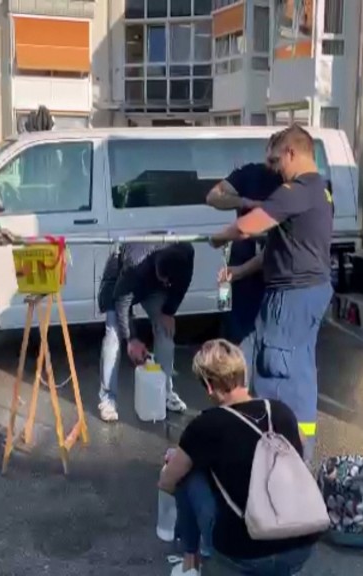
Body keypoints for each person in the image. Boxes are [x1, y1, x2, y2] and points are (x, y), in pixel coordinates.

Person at [209, 126, 335, 464]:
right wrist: (238, 272)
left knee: (275, 374)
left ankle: (279, 461)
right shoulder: (320, 191)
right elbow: (277, 252)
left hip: (291, 297)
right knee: (298, 373)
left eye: (277, 158)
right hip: (308, 291)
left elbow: (247, 226)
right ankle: (298, 458)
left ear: (293, 153)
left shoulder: (295, 190)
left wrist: (220, 238)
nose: (274, 167)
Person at [158, 340, 318, 576]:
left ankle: (190, 565)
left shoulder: (206, 425)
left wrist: (180, 460)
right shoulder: (281, 410)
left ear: (209, 387)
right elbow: (300, 447)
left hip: (247, 555)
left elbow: (166, 482)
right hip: (301, 548)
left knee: (186, 473)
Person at [205, 136, 285, 364]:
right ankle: (239, 379)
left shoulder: (291, 184)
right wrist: (246, 203)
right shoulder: (250, 173)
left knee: (270, 332)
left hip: (275, 265)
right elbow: (213, 196)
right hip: (243, 260)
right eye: (271, 154)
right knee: (237, 327)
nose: (273, 161)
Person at [97, 242, 196, 423]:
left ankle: (165, 392)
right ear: (158, 269)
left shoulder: (185, 252)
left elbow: (183, 282)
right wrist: (132, 338)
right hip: (118, 284)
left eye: (169, 282)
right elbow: (122, 301)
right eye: (164, 279)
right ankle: (108, 399)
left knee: (165, 330)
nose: (167, 283)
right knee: (113, 337)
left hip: (151, 286)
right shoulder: (135, 264)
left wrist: (169, 311)